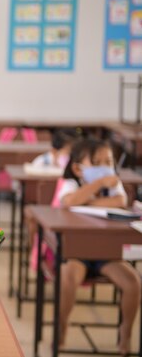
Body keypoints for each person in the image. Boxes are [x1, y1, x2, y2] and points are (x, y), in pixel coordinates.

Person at [55, 138, 140, 355]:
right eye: (97, 162)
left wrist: (88, 201)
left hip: (107, 255)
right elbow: (69, 201)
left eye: (108, 161)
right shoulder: (71, 183)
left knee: (133, 284)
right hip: (77, 254)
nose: (104, 168)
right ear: (77, 168)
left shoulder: (114, 184)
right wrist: (99, 185)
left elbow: (119, 202)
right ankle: (62, 328)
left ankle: (125, 332)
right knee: (67, 279)